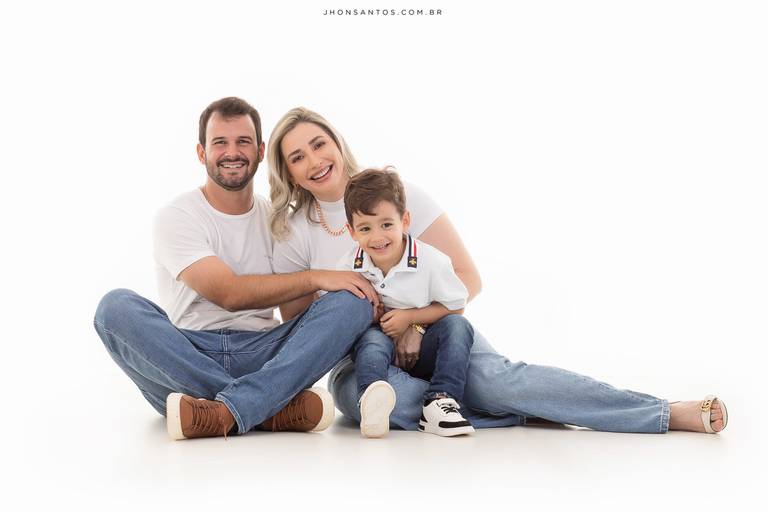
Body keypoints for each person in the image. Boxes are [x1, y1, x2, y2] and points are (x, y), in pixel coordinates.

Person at [268, 106, 729, 435]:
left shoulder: (399, 196)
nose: (315, 161)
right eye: (297, 157)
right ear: (288, 172)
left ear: (337, 143)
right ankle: (516, 412)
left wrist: (416, 325)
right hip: (363, 356)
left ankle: (663, 412)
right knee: (367, 400)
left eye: (318, 144)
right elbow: (304, 328)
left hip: (438, 336)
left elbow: (467, 279)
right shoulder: (292, 231)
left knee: (497, 381)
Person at [93, 97, 381, 441]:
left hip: (264, 353)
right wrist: (317, 277)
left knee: (352, 301)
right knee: (114, 308)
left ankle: (221, 411)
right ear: (201, 153)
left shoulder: (279, 221)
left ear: (260, 152)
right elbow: (227, 293)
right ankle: (267, 408)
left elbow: (298, 319)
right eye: (220, 142)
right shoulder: (177, 216)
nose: (232, 152)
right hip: (186, 355)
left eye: (243, 141)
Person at [340, 168, 475, 438]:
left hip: (426, 344)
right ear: (351, 231)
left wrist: (411, 319)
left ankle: (441, 400)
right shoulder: (348, 266)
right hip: (381, 344)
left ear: (405, 220)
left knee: (458, 326)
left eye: (386, 225)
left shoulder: (430, 261)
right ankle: (371, 400)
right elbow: (343, 315)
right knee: (371, 341)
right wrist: (370, 315)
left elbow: (455, 305)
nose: (378, 237)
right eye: (365, 228)